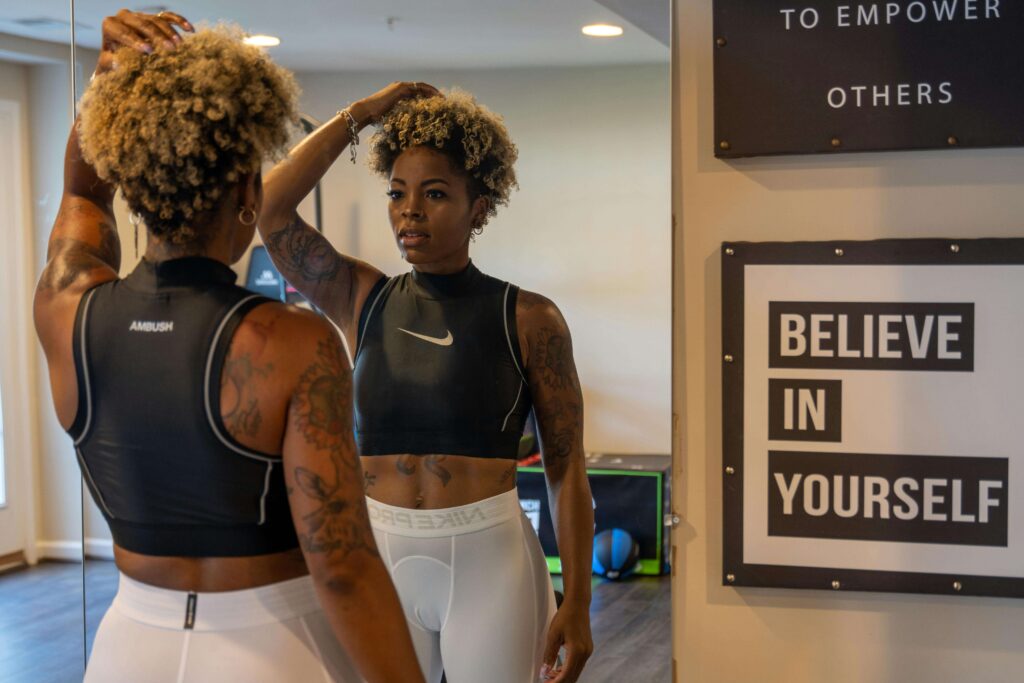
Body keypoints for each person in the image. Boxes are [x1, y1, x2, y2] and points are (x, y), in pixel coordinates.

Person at [32, 10, 424, 682]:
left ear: (128, 172)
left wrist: (105, 89)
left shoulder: (67, 311)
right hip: (270, 647)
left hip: (128, 646)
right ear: (247, 192)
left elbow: (79, 189)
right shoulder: (293, 342)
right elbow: (343, 566)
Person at [258, 87, 595, 682]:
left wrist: (579, 601)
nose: (409, 211)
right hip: (378, 552)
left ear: (480, 208)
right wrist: (361, 114)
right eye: (397, 193)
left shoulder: (529, 318)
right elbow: (272, 211)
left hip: (490, 561)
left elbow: (566, 470)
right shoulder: (361, 297)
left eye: (435, 194)